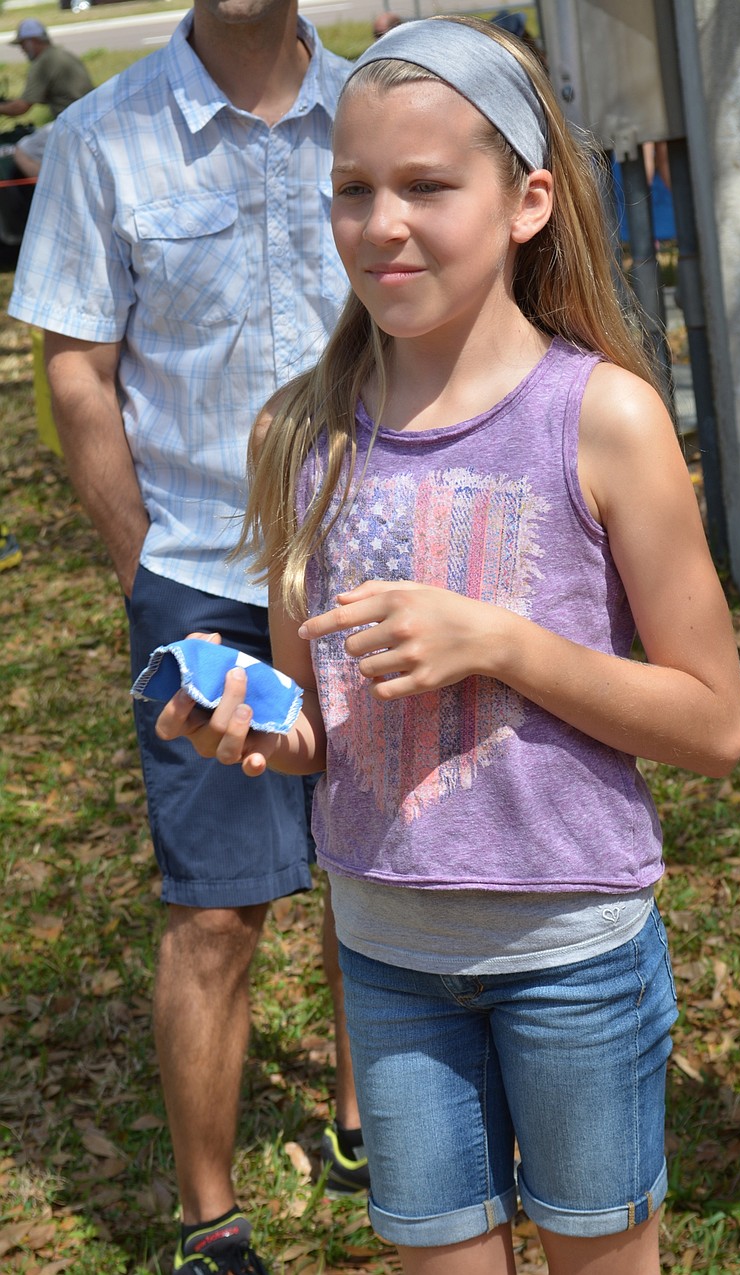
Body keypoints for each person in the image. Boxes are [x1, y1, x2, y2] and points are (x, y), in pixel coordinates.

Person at [155, 15, 740, 1275]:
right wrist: (256, 729)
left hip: (572, 959)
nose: (382, 224)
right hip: (386, 960)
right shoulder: (297, 437)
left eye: (427, 186)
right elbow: (324, 725)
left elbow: (713, 723)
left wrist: (501, 643)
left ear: (527, 200)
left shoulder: (603, 419)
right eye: (353, 190)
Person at [7, 0, 367, 1269]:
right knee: (219, 909)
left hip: (374, 561)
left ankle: (361, 1113)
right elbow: (73, 367)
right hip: (206, 573)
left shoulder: (378, 111)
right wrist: (141, 569)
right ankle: (209, 1219)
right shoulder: (106, 140)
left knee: (379, 865)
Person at [0, 20, 93, 177]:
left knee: (22, 151)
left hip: (71, 123)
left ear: (31, 42)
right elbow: (47, 96)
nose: (22, 50)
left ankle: (50, 195)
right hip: (87, 118)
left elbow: (21, 107)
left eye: (22, 44)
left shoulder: (43, 62)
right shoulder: (61, 54)